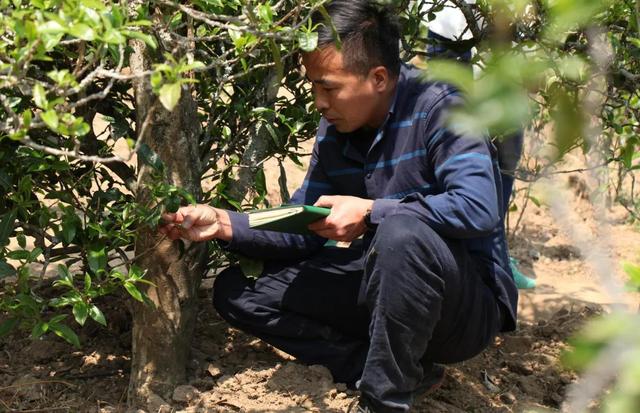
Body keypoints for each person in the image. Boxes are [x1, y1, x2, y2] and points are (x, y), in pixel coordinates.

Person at [160, 1, 518, 412]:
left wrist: (370, 212)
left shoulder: (443, 108)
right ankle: (383, 367)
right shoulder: (336, 126)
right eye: (313, 86)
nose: (319, 101)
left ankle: (385, 399)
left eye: (328, 87)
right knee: (239, 290)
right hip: (385, 285)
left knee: (401, 233)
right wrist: (226, 223)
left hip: (463, 311)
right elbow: (304, 223)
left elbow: (476, 207)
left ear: (378, 77)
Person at [423, 0, 536, 289]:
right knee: (456, 134)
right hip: (449, 25)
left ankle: (496, 257)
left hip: (509, 25)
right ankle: (466, 260)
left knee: (508, 141)